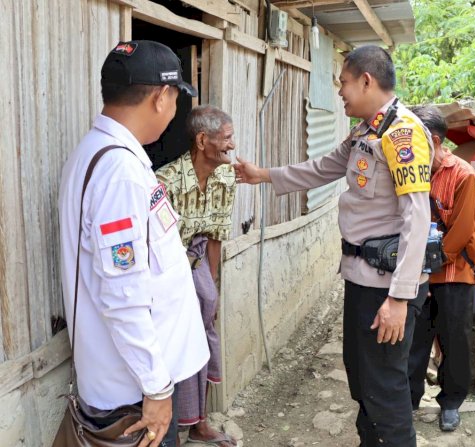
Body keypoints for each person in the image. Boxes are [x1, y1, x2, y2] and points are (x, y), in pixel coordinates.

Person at [233, 45, 433, 447]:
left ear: (366, 80)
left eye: (342, 83)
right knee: (362, 379)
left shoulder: (403, 133)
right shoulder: (366, 130)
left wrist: (399, 298)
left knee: (386, 388)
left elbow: (418, 218)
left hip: (387, 287)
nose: (339, 91)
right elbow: (324, 167)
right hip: (362, 278)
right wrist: (264, 175)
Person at [57, 40, 209, 447]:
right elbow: (123, 294)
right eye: (177, 99)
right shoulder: (119, 171)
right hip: (134, 397)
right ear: (162, 97)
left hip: (136, 384)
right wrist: (158, 389)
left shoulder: (107, 155)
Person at [155, 105, 237, 446]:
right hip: (166, 268)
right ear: (203, 140)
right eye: (227, 138)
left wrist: (211, 290)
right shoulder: (165, 182)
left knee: (204, 326)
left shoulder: (225, 176)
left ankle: (199, 423)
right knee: (178, 342)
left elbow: (215, 236)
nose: (232, 146)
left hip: (197, 259)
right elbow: (157, 250)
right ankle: (173, 424)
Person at [407, 106, 475, 432]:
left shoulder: (464, 175)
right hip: (417, 272)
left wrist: (430, 262)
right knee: (413, 340)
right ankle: (408, 400)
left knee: (455, 340)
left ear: (434, 140)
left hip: (453, 273)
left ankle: (451, 401)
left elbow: (462, 231)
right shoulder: (409, 170)